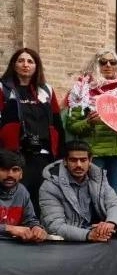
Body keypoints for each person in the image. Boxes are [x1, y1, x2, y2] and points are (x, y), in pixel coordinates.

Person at [0, 48, 64, 210]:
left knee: (41, 197)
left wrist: (61, 153)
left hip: (43, 154)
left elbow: (57, 123)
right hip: (14, 154)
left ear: (37, 66)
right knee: (16, 196)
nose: (25, 65)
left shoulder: (46, 90)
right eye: (21, 61)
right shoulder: (4, 89)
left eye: (30, 61)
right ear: (14, 65)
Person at [65, 50, 117, 192]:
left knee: (112, 194)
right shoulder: (82, 89)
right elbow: (72, 126)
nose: (108, 65)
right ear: (96, 65)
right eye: (103, 62)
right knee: (92, 194)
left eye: (112, 62)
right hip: (94, 153)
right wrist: (89, 122)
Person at [38, 140, 117, 243]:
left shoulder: (97, 178)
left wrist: (110, 223)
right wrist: (89, 235)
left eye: (83, 160)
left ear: (90, 160)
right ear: (65, 161)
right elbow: (55, 226)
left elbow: (115, 204)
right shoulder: (50, 185)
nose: (79, 165)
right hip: (69, 236)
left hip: (96, 229)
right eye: (73, 160)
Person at [0, 150, 47, 242]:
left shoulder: (22, 191)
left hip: (13, 247)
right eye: (4, 169)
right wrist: (10, 228)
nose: (10, 175)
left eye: (15, 170)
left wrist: (36, 228)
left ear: (21, 174)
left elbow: (30, 220)